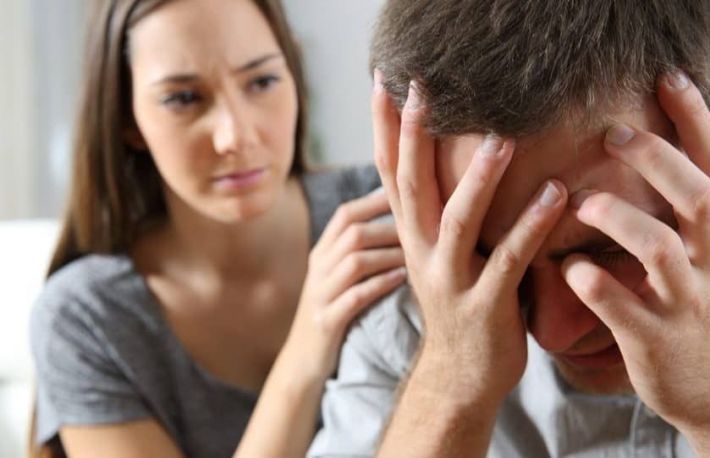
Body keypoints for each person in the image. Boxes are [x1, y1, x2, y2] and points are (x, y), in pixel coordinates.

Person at [308, 0, 710, 456]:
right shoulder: (404, 317)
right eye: (483, 254)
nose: (552, 334)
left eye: (611, 249)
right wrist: (451, 382)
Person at [28, 0, 406, 457]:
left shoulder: (390, 208)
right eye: (183, 99)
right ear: (128, 120)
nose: (235, 136)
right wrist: (307, 349)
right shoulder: (88, 321)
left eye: (262, 81)